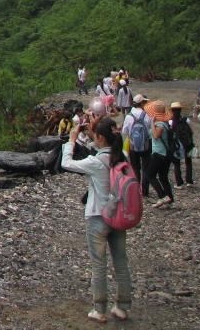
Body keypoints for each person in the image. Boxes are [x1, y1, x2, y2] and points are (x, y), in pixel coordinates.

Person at [61, 117, 133, 323]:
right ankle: (122, 306)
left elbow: (66, 163)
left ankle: (99, 309)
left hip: (98, 216)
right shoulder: (124, 156)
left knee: (98, 264)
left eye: (96, 135)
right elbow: (101, 147)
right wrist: (92, 134)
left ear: (100, 137)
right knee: (120, 261)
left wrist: (71, 141)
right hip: (119, 215)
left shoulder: (95, 162)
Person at [122, 94, 153, 198]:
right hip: (146, 145)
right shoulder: (148, 115)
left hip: (133, 145)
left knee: (135, 168)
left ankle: (136, 191)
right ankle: (145, 191)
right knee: (146, 168)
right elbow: (151, 131)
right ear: (142, 103)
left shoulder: (129, 116)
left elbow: (125, 132)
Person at [148, 101, 175, 208]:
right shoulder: (166, 123)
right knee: (163, 177)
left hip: (159, 153)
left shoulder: (159, 124)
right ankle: (170, 199)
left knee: (150, 175)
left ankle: (163, 196)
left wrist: (152, 124)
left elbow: (155, 135)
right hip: (165, 154)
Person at [169, 102, 194, 186]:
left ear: (172, 110)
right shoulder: (186, 119)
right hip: (187, 143)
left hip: (177, 144)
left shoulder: (170, 121)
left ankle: (179, 182)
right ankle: (189, 180)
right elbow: (190, 131)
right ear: (180, 110)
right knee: (188, 161)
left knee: (177, 163)